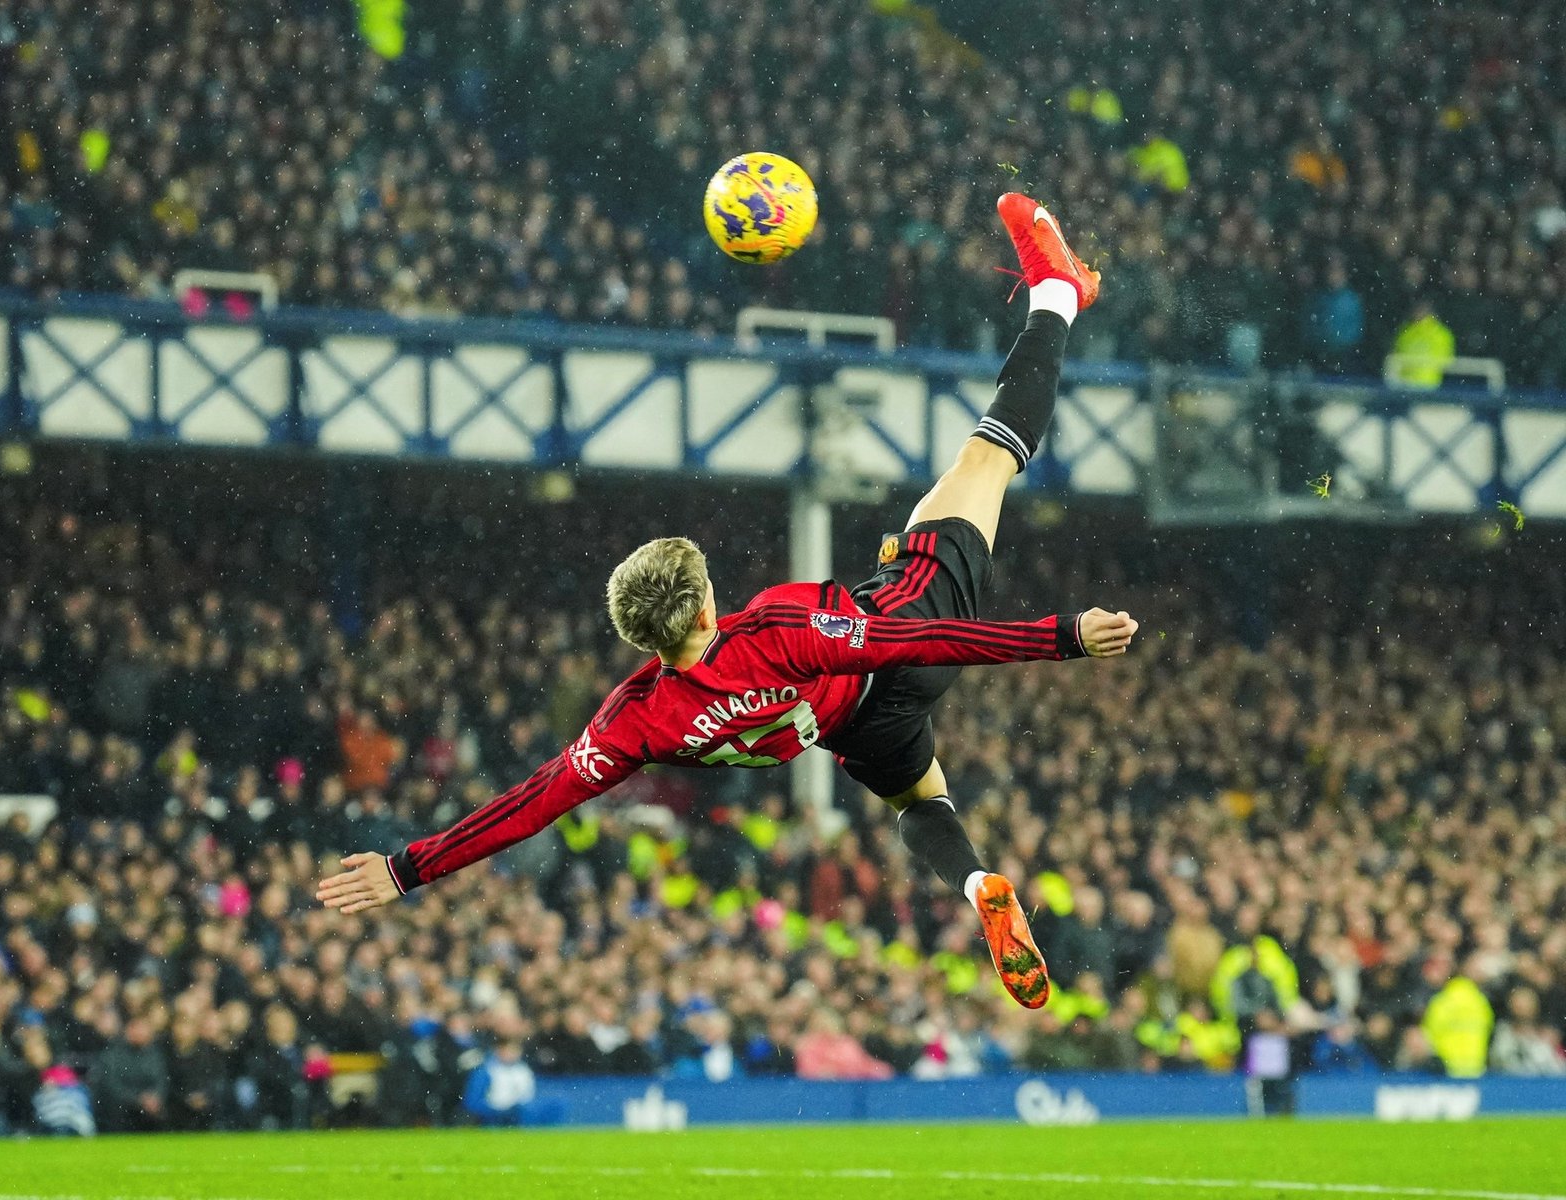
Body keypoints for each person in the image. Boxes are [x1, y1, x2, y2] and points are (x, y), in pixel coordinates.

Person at [319, 194, 1136, 1009]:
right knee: (986, 459)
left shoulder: (634, 720)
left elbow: (530, 804)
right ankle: (1056, 294)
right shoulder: (774, 628)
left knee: (920, 799)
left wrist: (406, 868)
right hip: (899, 636)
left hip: (853, 731)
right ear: (708, 608)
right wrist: (1062, 635)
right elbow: (903, 646)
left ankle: (975, 883)